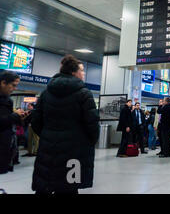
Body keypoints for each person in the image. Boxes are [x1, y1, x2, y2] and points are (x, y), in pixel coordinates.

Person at [31, 55, 99, 194]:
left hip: (48, 149)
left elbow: (36, 121)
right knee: (69, 188)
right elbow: (92, 125)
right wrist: (86, 142)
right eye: (81, 70)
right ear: (73, 72)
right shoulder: (84, 94)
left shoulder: (46, 93)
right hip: (74, 152)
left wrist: (47, 136)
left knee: (45, 185)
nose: (84, 73)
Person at [0, 71, 24, 174]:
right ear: (3, 83)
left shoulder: (8, 100)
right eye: (13, 85)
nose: (15, 88)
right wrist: (14, 116)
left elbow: (7, 122)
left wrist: (20, 118)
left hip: (5, 144)